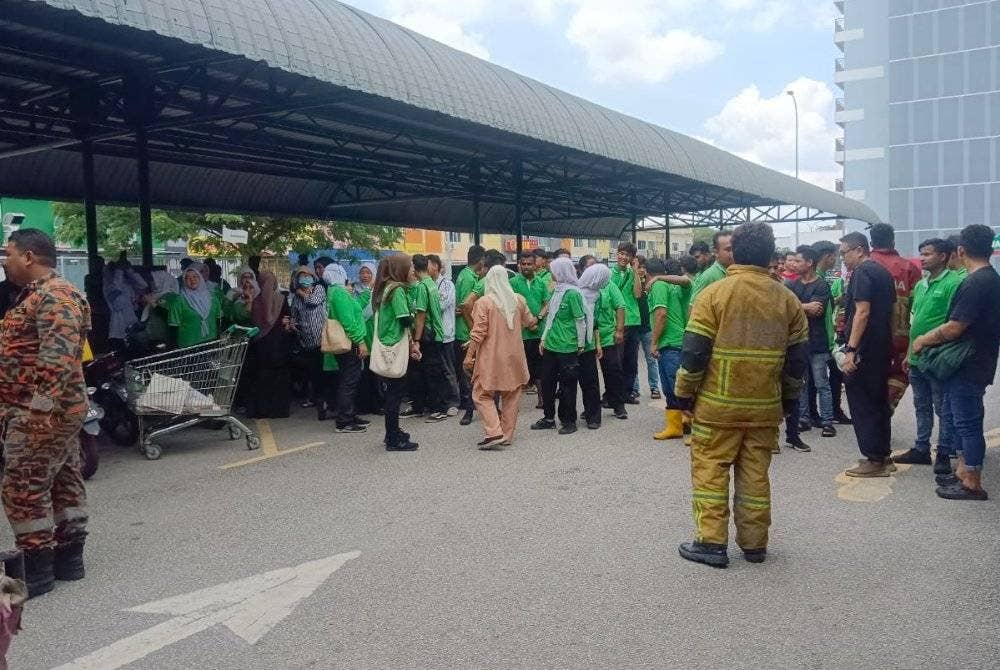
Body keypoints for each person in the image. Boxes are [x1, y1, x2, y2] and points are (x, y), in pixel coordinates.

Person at [674, 222, 808, 568]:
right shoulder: (788, 300)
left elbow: (693, 354)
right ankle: (755, 544)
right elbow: (797, 363)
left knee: (711, 470)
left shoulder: (714, 294)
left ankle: (711, 543)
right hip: (765, 408)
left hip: (717, 407)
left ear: (734, 251)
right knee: (755, 475)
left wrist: (683, 396)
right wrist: (788, 403)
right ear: (770, 254)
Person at [0, 229, 92, 598]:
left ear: (29, 256)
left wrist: (40, 407)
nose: (5, 262)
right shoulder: (39, 296)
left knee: (22, 486)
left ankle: (36, 568)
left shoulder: (54, 296)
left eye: (8, 254)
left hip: (40, 412)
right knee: (61, 478)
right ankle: (68, 559)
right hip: (46, 409)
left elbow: (58, 354)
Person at [913, 224, 1000, 501]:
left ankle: (972, 482)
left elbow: (954, 328)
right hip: (977, 360)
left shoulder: (975, 282)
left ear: (960, 250)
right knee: (963, 418)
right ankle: (963, 472)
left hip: (968, 363)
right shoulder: (990, 279)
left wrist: (924, 339)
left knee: (968, 423)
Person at [893, 238, 961, 473]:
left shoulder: (955, 283)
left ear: (943, 256)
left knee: (943, 407)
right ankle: (921, 448)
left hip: (938, 357)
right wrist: (909, 352)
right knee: (921, 405)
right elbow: (916, 320)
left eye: (928, 254)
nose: (922, 258)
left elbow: (955, 323)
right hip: (916, 357)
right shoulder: (921, 285)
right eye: (921, 254)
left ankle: (944, 451)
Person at [839, 231, 896, 477]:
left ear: (859, 250)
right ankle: (883, 455)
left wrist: (851, 349)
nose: (843, 259)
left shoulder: (862, 272)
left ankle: (874, 459)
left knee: (863, 404)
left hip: (865, 349)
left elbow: (862, 311)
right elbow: (893, 311)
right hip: (880, 347)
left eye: (844, 253)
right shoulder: (883, 272)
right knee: (878, 402)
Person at [464, 265, 538, 449]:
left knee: (481, 394)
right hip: (515, 357)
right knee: (511, 395)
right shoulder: (518, 300)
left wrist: (469, 356)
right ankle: (507, 435)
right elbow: (531, 323)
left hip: (491, 357)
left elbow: (478, 332)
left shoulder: (484, 302)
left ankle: (494, 432)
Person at [868, 223, 922, 413]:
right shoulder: (909, 268)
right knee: (898, 375)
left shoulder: (864, 265)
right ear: (892, 240)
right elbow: (918, 308)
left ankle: (873, 416)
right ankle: (886, 409)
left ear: (871, 242)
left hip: (868, 336)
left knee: (871, 378)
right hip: (900, 337)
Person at [532, 257, 589, 435]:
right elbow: (550, 317)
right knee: (547, 384)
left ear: (561, 272)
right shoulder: (556, 291)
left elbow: (580, 320)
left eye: (553, 271)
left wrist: (580, 343)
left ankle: (569, 421)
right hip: (551, 345)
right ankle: (549, 418)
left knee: (567, 387)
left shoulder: (573, 293)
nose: (551, 274)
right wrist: (543, 339)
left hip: (567, 347)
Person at [787, 245, 835, 443]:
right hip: (799, 340)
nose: (795, 264)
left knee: (822, 382)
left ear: (809, 263)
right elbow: (789, 308)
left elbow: (817, 311)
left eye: (798, 261)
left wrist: (797, 306)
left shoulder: (822, 285)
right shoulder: (793, 285)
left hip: (817, 341)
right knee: (802, 383)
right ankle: (804, 418)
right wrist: (804, 306)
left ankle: (827, 421)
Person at [372, 255, 420, 451]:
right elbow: (404, 319)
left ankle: (392, 432)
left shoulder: (385, 289)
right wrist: (413, 313)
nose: (413, 272)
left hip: (387, 343)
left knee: (392, 393)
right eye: (410, 268)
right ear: (399, 269)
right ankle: (393, 438)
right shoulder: (397, 290)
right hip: (394, 346)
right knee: (395, 395)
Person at [323, 263, 370, 432]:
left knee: (350, 379)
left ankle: (350, 414)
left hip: (349, 342)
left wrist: (366, 293)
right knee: (349, 381)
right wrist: (360, 341)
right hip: (349, 342)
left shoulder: (336, 292)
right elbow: (348, 321)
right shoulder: (339, 293)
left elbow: (355, 307)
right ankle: (344, 421)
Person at [812, 240, 852, 425]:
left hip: (829, 336)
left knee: (829, 376)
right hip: (822, 338)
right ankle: (820, 413)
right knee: (821, 379)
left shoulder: (821, 279)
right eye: (835, 255)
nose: (836, 259)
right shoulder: (817, 281)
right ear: (827, 257)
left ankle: (827, 412)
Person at [648, 257, 687, 440]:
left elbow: (661, 314)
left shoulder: (658, 286)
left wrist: (653, 342)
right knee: (670, 387)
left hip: (671, 343)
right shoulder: (669, 284)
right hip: (671, 343)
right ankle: (675, 426)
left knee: (675, 386)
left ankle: (691, 424)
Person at [408, 254, 449, 423]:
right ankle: (425, 406)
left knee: (432, 373)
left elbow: (421, 315)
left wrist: (416, 339)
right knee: (430, 372)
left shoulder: (422, 287)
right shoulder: (431, 284)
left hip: (429, 335)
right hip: (437, 333)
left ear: (414, 268)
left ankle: (439, 408)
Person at [246, 271, 292, 419]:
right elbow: (287, 318)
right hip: (278, 346)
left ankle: (261, 410)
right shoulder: (281, 299)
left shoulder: (256, 300)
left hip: (261, 346)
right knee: (278, 378)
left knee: (262, 379)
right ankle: (278, 410)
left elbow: (250, 321)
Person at [167, 263, 247, 348]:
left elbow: (218, 320)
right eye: (187, 278)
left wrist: (219, 340)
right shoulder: (178, 301)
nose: (192, 280)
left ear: (200, 278)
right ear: (184, 281)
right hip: (188, 346)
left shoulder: (212, 298)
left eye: (195, 277)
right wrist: (174, 350)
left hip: (210, 344)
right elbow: (173, 328)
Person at [510, 252, 548, 403]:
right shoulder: (513, 282)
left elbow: (547, 304)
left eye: (529, 264)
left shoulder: (541, 283)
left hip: (539, 332)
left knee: (540, 368)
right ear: (519, 265)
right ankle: (513, 403)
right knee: (519, 368)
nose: (526, 267)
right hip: (521, 333)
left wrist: (537, 318)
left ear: (535, 265)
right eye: (523, 264)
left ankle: (542, 399)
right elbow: (510, 306)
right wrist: (526, 323)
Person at [453, 245, 485, 425]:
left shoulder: (470, 276)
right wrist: (473, 329)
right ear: (481, 260)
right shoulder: (467, 278)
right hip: (467, 331)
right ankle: (469, 409)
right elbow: (465, 307)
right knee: (468, 373)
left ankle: (481, 406)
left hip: (470, 329)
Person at [289, 265, 327, 414]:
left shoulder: (319, 289)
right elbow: (294, 314)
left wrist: (301, 292)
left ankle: (324, 400)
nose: (305, 278)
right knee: (312, 372)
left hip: (321, 339)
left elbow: (313, 301)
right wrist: (292, 324)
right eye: (301, 276)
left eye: (307, 275)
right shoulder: (296, 298)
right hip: (306, 340)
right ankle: (315, 398)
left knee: (323, 371)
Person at [593, 258, 627, 421]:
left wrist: (619, 330)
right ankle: (591, 407)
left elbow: (620, 306)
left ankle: (618, 405)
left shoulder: (609, 285)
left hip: (607, 335)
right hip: (588, 338)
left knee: (613, 371)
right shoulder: (582, 286)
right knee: (589, 375)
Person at [575, 263, 608, 430]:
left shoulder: (598, 295)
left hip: (588, 346)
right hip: (571, 344)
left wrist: (598, 344)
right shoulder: (575, 292)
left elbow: (595, 322)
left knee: (591, 382)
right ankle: (569, 418)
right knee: (570, 383)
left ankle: (593, 417)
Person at [611, 242, 644, 405]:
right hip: (618, 322)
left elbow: (638, 294)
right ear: (616, 254)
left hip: (634, 321)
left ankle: (628, 392)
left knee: (631, 360)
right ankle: (614, 393)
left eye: (627, 255)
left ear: (632, 258)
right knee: (617, 360)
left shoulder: (633, 273)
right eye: (621, 253)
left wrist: (636, 272)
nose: (623, 257)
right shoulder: (610, 273)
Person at [426, 255, 459, 415]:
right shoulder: (423, 285)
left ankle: (453, 402)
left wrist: (424, 307)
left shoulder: (447, 285)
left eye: (430, 265)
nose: (427, 268)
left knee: (448, 370)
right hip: (429, 335)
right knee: (434, 371)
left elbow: (442, 304)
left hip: (445, 334)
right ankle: (437, 402)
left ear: (438, 267)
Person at [353, 260, 382, 416]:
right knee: (361, 373)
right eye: (362, 272)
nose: (365, 276)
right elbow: (358, 313)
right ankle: (363, 404)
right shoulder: (354, 291)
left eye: (368, 273)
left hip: (374, 332)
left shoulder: (378, 290)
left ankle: (377, 404)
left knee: (375, 372)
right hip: (362, 335)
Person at [103, 254, 146, 350]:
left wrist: (129, 270)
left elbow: (143, 285)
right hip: (118, 332)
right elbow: (118, 301)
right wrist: (119, 270)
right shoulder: (108, 288)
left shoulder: (127, 285)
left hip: (133, 327)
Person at [633, 256, 661, 400]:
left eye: (644, 267)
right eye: (639, 267)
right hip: (634, 327)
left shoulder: (652, 284)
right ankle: (635, 388)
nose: (642, 270)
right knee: (633, 360)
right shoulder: (632, 282)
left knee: (651, 359)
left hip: (648, 328)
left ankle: (654, 387)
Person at [688, 231, 733, 314]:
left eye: (697, 257)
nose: (733, 253)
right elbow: (693, 307)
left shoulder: (733, 272)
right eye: (728, 249)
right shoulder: (709, 276)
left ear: (708, 255)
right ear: (716, 253)